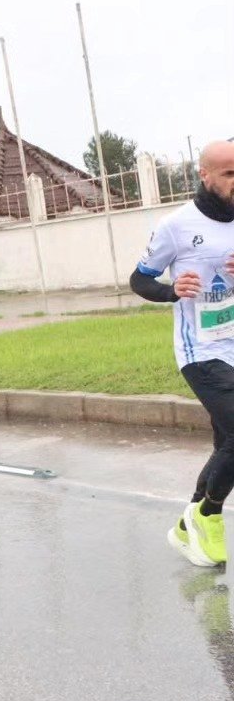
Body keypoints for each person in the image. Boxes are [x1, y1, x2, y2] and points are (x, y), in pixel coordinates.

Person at [132, 139, 234, 567]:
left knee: (227, 442)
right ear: (204, 175)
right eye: (229, 173)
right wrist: (172, 290)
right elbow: (140, 280)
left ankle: (184, 525)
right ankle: (208, 514)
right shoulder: (176, 226)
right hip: (201, 350)